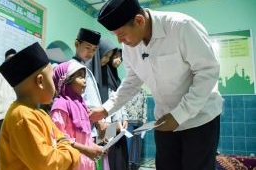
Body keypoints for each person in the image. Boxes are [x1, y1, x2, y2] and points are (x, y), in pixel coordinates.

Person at [90, 0, 223, 170]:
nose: (120, 40)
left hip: (199, 118)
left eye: (121, 34)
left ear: (139, 21)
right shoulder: (129, 45)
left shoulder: (181, 27)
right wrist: (106, 108)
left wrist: (180, 114)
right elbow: (132, 81)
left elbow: (208, 71)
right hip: (165, 120)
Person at [0, 42, 81, 170]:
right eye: (52, 77)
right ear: (40, 81)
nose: (55, 84)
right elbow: (46, 164)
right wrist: (72, 154)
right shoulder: (22, 116)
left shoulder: (40, 113)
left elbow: (63, 139)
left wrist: (62, 146)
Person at [50, 61, 104, 170]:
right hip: (71, 163)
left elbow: (86, 137)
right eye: (80, 77)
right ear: (66, 81)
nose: (84, 81)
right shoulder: (60, 105)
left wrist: (95, 147)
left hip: (85, 162)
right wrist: (85, 149)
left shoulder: (81, 104)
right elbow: (58, 138)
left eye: (84, 77)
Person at [70, 28, 110, 170]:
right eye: (87, 48)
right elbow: (76, 100)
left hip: (91, 129)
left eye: (94, 50)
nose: (90, 53)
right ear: (76, 44)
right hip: (81, 129)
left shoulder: (85, 68)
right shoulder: (72, 69)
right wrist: (98, 121)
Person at [90, 38, 129, 170]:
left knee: (116, 161)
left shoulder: (112, 78)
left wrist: (124, 119)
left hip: (112, 129)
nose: (107, 59)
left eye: (109, 56)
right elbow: (97, 112)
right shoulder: (91, 77)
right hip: (100, 131)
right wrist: (113, 126)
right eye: (107, 55)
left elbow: (118, 102)